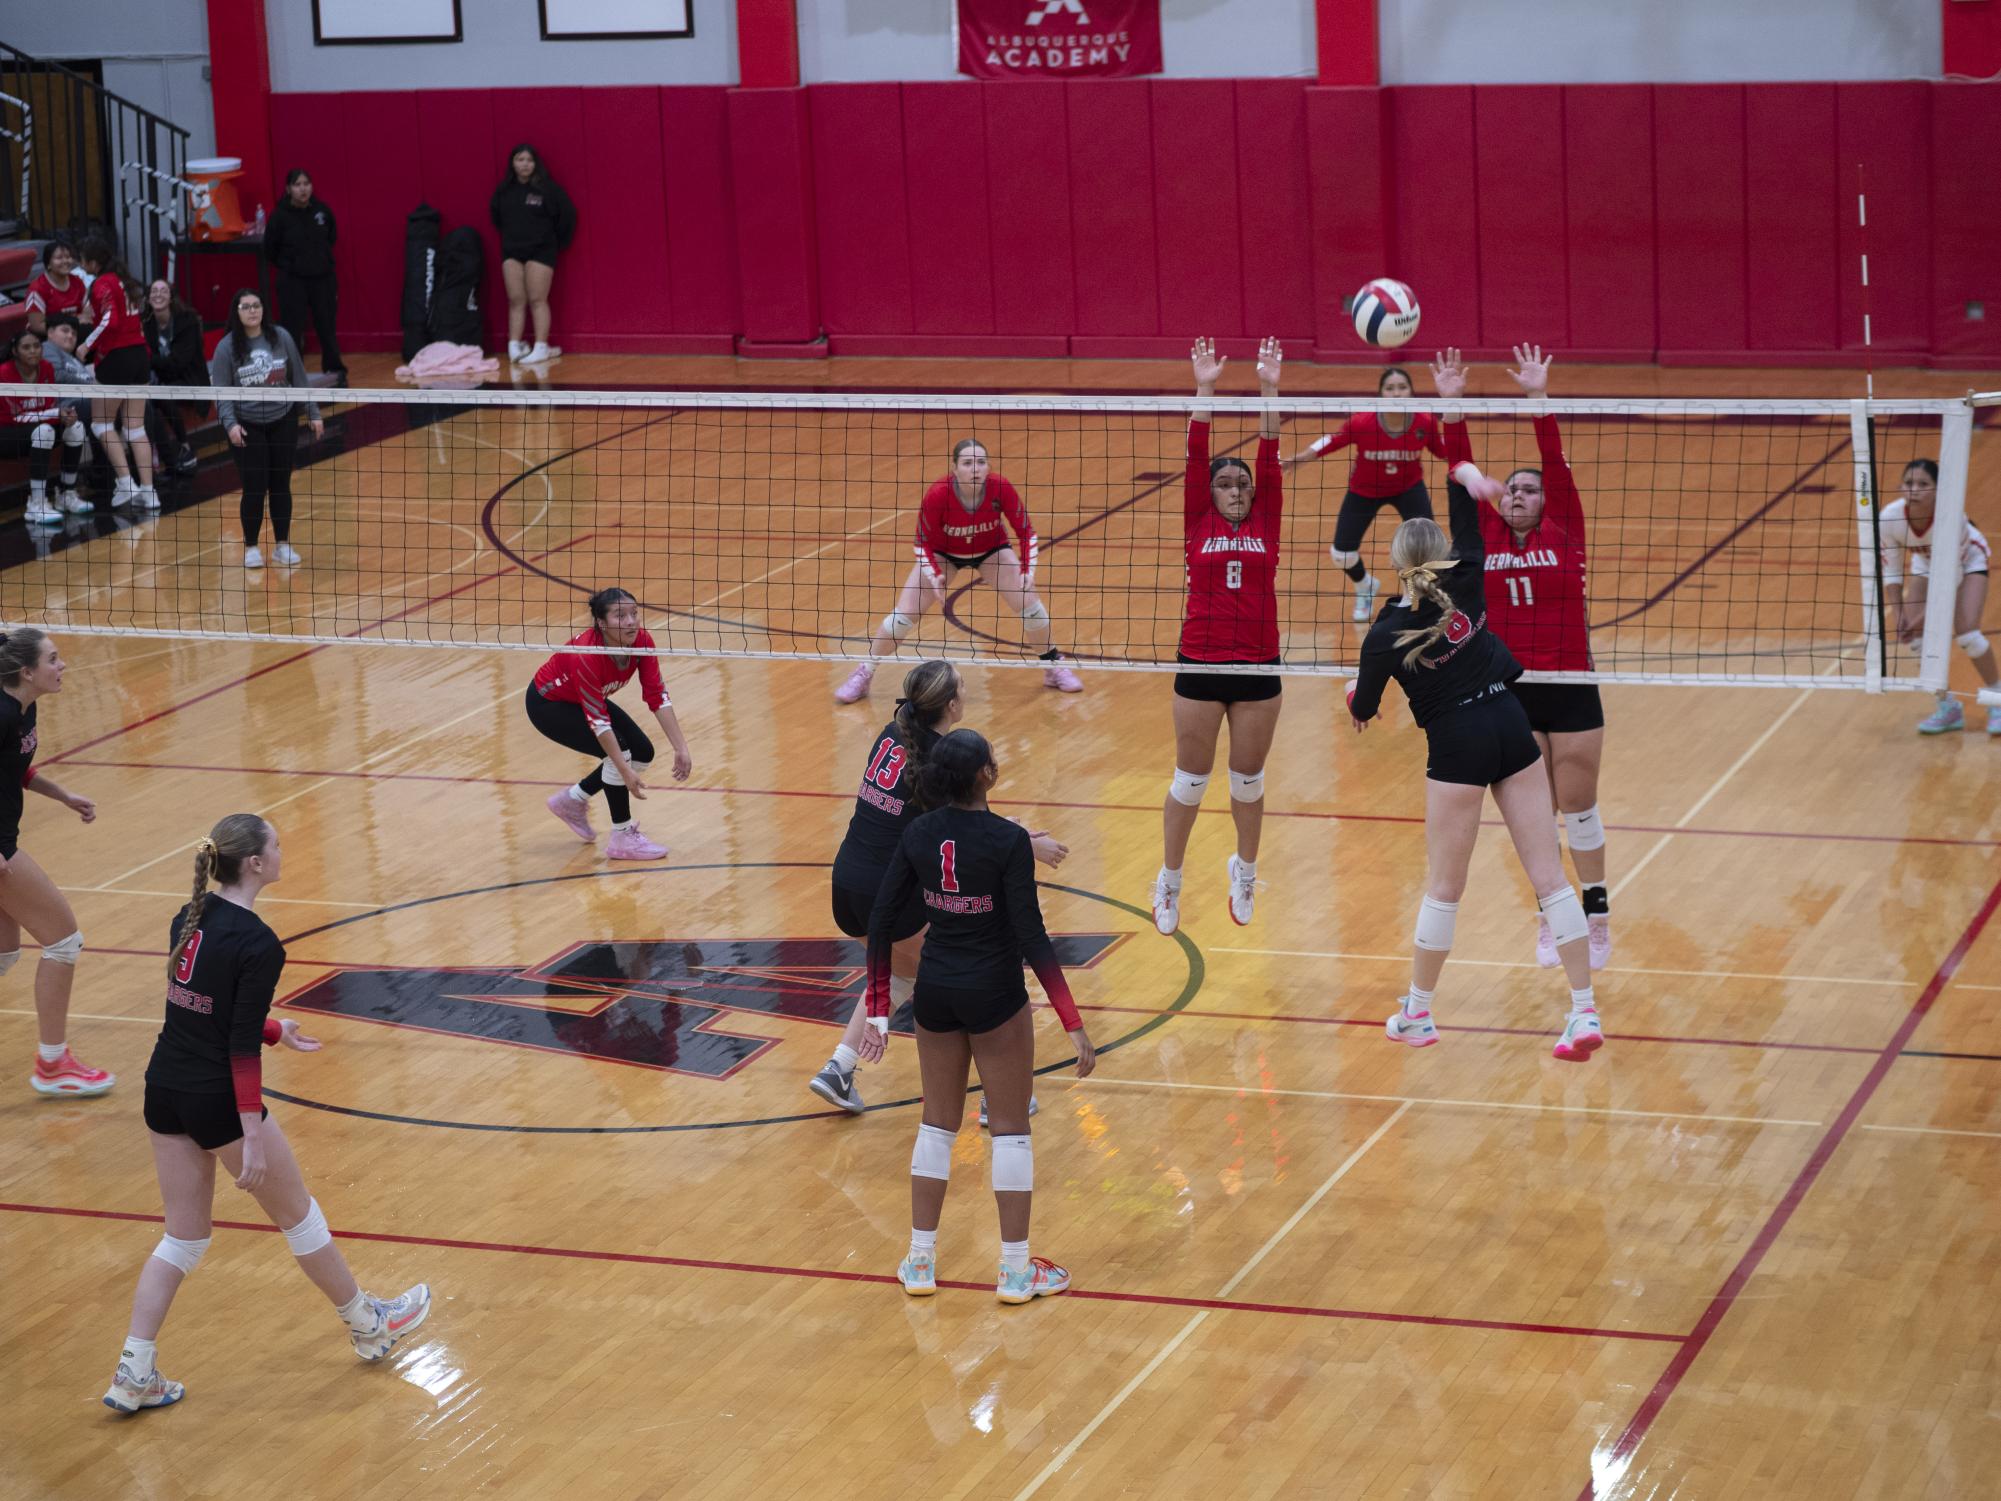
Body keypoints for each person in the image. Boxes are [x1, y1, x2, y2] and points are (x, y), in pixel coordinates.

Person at [102, 813, 431, 1413]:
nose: (283, 851)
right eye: (277, 844)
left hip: (165, 1087)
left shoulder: (191, 916)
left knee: (182, 1237)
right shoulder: (258, 943)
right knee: (299, 1217)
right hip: (218, 1097)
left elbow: (203, 1012)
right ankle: (368, 1324)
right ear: (254, 862)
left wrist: (276, 1027)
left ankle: (133, 1370)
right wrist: (250, 1136)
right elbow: (235, 1047)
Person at [1345, 435, 1604, 1063]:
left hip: (1457, 746)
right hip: (1509, 723)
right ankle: (1582, 1011)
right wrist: (1467, 473)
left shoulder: (1383, 633)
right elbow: (1466, 509)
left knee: (1444, 888)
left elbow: (1363, 711)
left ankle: (1419, 1013)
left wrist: (1358, 686)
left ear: (1397, 560)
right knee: (1550, 880)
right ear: (1441, 554)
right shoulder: (1469, 576)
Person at [863, 728, 1096, 1304]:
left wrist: (875, 1011)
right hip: (995, 994)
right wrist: (1072, 1021)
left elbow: (880, 920)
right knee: (1011, 1131)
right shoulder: (1008, 840)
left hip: (936, 991)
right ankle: (1016, 1271)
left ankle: (919, 1261)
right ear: (986, 776)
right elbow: (1032, 937)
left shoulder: (918, 832)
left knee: (936, 1125)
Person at [811, 660, 1067, 1116]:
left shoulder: (893, 732)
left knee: (905, 973)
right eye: (964, 688)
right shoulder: (938, 760)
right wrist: (1032, 844)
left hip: (846, 884)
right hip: (885, 893)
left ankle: (839, 1067)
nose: (967, 693)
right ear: (951, 704)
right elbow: (972, 829)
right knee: (978, 975)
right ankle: (999, 1095)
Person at [1431, 346, 1613, 969]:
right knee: (1542, 816)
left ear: (1546, 502)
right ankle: (1553, 915)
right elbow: (1458, 466)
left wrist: (1539, 397)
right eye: (1513, 490)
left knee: (1580, 805)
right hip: (1513, 689)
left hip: (1570, 682)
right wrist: (1451, 405)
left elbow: (1554, 463)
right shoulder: (1483, 537)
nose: (1519, 496)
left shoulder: (1565, 530)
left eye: (1530, 491)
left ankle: (1597, 911)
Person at [1151, 336, 1284, 937]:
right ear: (1209, 492)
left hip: (1258, 666)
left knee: (1248, 781)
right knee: (1191, 780)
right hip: (1201, 661)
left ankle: (1246, 868)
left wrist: (1269, 387)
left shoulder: (1266, 519)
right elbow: (1197, 447)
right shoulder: (1197, 519)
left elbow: (1272, 447)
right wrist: (1205, 387)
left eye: (1243, 482)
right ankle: (1170, 879)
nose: (1235, 487)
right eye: (1225, 481)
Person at [833, 439, 1084, 703]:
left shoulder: (1000, 487)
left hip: (992, 551)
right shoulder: (939, 494)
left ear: (988, 467)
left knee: (1032, 607)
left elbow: (1027, 533)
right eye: (967, 463)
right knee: (902, 618)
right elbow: (922, 543)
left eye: (980, 462)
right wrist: (935, 575)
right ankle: (864, 673)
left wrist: (1027, 571)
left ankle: (1053, 667)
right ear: (955, 468)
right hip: (944, 556)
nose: (975, 468)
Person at [0, 628, 113, 1096]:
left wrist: (62, 795)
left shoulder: (24, 709)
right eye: (53, 658)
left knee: (3, 954)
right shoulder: (1, 713)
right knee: (64, 940)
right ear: (27, 672)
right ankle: (53, 1064)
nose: (63, 664)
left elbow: (14, 766)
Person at [529, 587, 692, 861]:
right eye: (620, 615)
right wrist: (623, 770)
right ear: (602, 623)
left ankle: (572, 800)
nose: (631, 621)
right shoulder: (587, 655)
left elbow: (657, 695)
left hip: (582, 701)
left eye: (634, 613)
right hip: (549, 705)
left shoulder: (641, 641)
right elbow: (599, 722)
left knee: (641, 752)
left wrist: (681, 747)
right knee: (621, 754)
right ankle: (622, 837)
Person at [1283, 365, 1447, 621]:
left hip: (1408, 488)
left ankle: (1423, 601)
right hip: (1365, 491)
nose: (1396, 394)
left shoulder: (1424, 421)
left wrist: (1465, 467)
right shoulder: (1363, 421)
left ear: (1412, 393)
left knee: (1428, 548)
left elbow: (1444, 451)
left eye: (1402, 388)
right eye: (1390, 388)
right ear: (1380, 394)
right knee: (1341, 554)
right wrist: (1303, 457)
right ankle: (1365, 585)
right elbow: (1332, 440)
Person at [1881, 457, 1998, 735]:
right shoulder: (1890, 518)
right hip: (1925, 562)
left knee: (1967, 633)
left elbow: (1952, 579)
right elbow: (1892, 571)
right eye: (1909, 483)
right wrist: (1900, 617)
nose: (1915, 490)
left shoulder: (1951, 516)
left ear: (1938, 490)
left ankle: (1998, 700)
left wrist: (1920, 618)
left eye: (1923, 484)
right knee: (1917, 641)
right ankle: (1947, 707)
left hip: (1967, 562)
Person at [209, 288, 323, 569]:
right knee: (254, 488)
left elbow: (299, 378)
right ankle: (251, 547)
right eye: (246, 306)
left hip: (283, 419)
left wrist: (313, 412)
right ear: (236, 312)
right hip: (247, 425)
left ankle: (282, 545)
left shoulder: (280, 337)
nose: (252, 310)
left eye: (256, 305)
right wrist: (230, 424)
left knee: (281, 485)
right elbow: (221, 391)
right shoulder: (226, 347)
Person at [74, 237, 159, 511]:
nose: (80, 263)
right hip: (138, 356)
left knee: (101, 425)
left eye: (82, 258)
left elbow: (111, 320)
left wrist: (88, 343)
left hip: (117, 357)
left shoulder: (103, 283)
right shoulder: (126, 281)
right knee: (136, 428)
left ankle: (126, 483)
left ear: (92, 262)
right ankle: (149, 492)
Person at [490, 144, 575, 366]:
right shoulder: (503, 191)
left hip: (541, 250)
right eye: (520, 159)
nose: (525, 164)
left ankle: (540, 346)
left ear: (535, 163)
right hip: (512, 251)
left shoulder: (548, 190)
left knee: (537, 299)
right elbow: (496, 217)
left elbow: (567, 215)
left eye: (529, 160)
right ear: (513, 163)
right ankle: (514, 345)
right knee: (516, 300)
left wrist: (556, 243)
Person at [264, 169, 346, 382]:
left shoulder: (322, 211)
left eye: (306, 183)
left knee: (326, 326)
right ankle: (293, 375)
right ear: (288, 189)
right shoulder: (279, 216)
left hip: (322, 279)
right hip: (293, 281)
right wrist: (290, 265)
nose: (303, 189)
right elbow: (269, 249)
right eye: (298, 184)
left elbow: (332, 237)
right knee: (292, 330)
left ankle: (335, 369)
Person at [1, 331, 90, 524]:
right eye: (26, 347)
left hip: (38, 427)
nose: (33, 351)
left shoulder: (46, 368)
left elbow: (49, 407)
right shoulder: (4, 374)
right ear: (15, 351)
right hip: (6, 434)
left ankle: (66, 494)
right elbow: (15, 418)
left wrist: (63, 415)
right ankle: (37, 504)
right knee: (44, 431)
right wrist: (54, 415)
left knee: (76, 427)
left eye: (36, 346)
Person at [141, 279, 206, 474]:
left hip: (190, 380)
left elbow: (179, 363)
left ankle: (185, 447)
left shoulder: (187, 321)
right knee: (147, 402)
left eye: (163, 291)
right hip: (161, 380)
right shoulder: (146, 323)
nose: (158, 295)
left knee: (159, 394)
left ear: (171, 297)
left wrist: (152, 360)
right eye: (154, 291)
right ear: (148, 297)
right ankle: (156, 460)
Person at [24, 241, 89, 338]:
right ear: (48, 264)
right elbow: (36, 326)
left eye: (68, 257)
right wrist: (67, 328)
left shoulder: (77, 282)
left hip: (76, 331)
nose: (65, 261)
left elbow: (88, 315)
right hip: (48, 337)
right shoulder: (37, 288)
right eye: (59, 258)